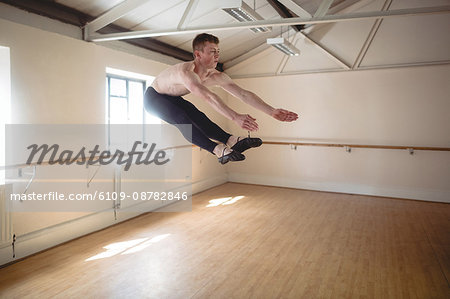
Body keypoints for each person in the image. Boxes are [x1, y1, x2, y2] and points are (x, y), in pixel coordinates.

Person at [144, 33, 298, 164]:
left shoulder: (217, 76)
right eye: (212, 51)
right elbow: (208, 97)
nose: (217, 55)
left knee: (198, 116)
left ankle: (231, 140)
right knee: (183, 118)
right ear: (198, 54)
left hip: (172, 98)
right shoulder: (186, 73)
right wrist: (235, 117)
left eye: (218, 51)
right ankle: (217, 149)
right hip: (154, 98)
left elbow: (244, 94)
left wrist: (271, 111)